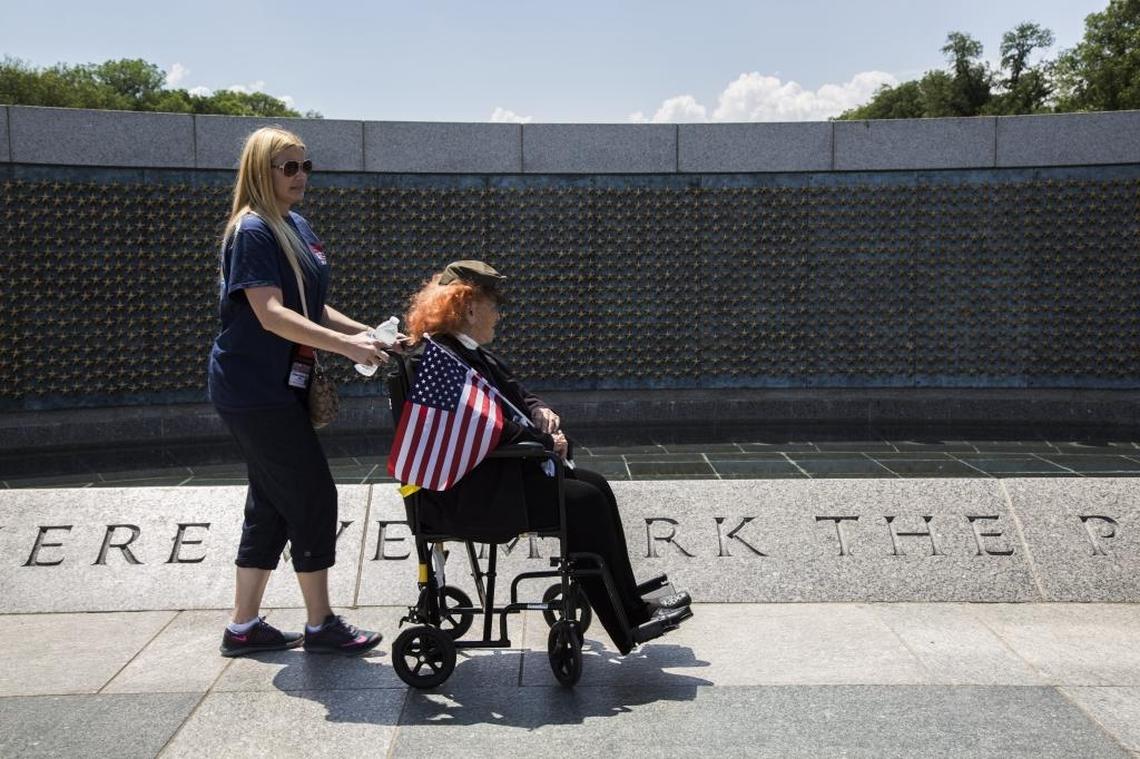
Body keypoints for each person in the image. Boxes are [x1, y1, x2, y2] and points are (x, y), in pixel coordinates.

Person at [401, 260, 693, 655]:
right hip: (468, 495)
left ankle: (630, 602)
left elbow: (513, 397)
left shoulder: (465, 353)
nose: (499, 314)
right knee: (582, 502)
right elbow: (481, 427)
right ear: (469, 307)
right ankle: (627, 622)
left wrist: (539, 411)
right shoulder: (437, 361)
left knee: (594, 485)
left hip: (495, 480)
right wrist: (541, 439)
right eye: (494, 303)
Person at [208, 126, 389, 657]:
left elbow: (308, 305)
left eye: (306, 166)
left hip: (277, 387)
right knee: (312, 494)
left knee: (271, 502)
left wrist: (367, 335)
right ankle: (321, 624)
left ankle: (242, 628)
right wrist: (344, 347)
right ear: (261, 172)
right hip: (253, 388)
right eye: (289, 167)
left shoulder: (295, 226)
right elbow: (269, 313)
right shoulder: (253, 231)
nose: (301, 176)